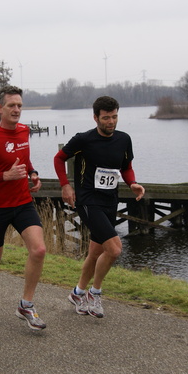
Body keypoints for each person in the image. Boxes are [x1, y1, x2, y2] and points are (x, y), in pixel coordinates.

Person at [54, 96, 145, 318]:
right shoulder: (84, 140)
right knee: (113, 249)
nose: (111, 122)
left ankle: (78, 293)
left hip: (109, 201)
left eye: (114, 117)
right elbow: (59, 158)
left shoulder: (124, 139)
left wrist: (132, 183)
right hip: (87, 200)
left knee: (95, 251)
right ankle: (95, 293)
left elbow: (126, 167)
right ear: (96, 117)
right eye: (106, 118)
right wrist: (65, 186)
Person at [0, 85, 47, 330]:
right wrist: (5, 176)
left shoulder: (24, 131)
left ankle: (26, 304)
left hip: (23, 202)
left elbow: (24, 160)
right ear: (0, 108)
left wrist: (33, 173)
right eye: (11, 105)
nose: (16, 110)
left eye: (20, 105)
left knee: (39, 250)